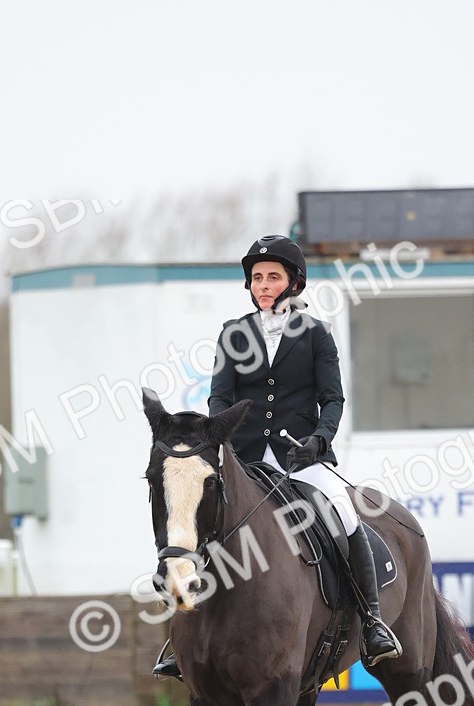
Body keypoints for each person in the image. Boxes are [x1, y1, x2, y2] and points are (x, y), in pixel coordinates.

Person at [154, 233, 401, 679]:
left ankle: (373, 622)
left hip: (300, 458)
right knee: (197, 522)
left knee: (343, 515)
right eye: (256, 278)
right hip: (242, 458)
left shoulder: (314, 334)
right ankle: (179, 639)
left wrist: (320, 441)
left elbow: (333, 399)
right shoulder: (234, 334)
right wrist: (219, 445)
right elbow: (219, 399)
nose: (263, 284)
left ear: (293, 282)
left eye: (272, 276)